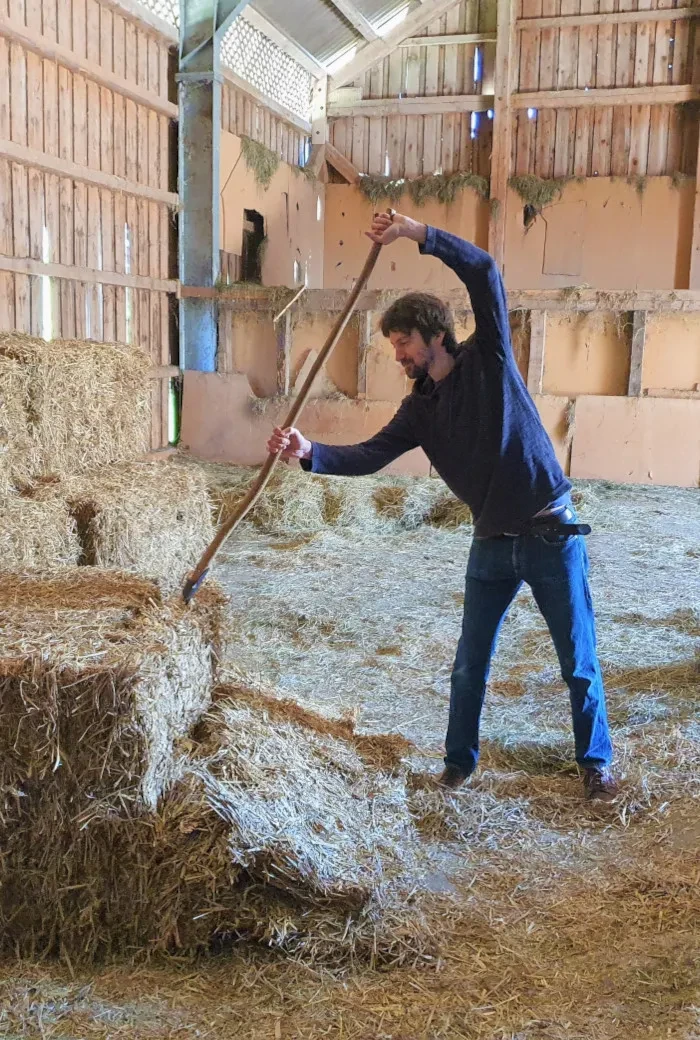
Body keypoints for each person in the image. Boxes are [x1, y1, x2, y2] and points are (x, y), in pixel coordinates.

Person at [267, 211, 617, 803]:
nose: (398, 356)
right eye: (395, 347)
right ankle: (458, 764)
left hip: (550, 533)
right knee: (467, 667)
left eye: (403, 342)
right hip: (490, 541)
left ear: (433, 333)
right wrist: (311, 453)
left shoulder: (492, 359)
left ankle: (595, 765)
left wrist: (415, 233)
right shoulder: (419, 409)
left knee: (576, 661)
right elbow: (372, 454)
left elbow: (483, 269)